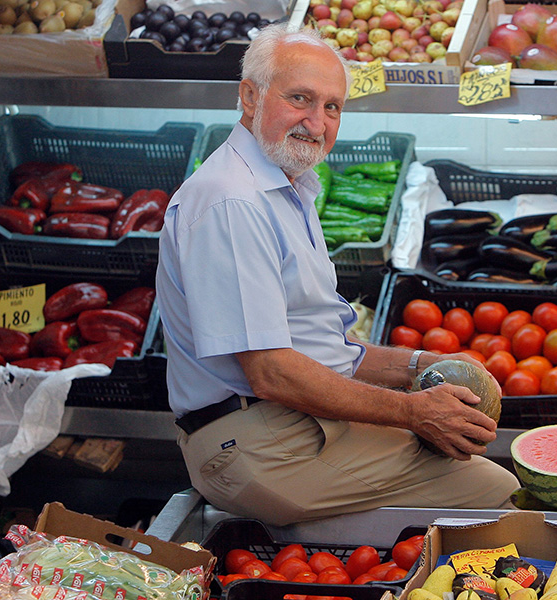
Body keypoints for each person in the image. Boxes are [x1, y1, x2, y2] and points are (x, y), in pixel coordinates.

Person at [155, 24, 519, 526]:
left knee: (466, 456)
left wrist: (420, 364)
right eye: (300, 99)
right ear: (250, 96)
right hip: (257, 443)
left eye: (332, 107)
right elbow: (272, 371)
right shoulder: (233, 202)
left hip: (288, 423)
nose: (317, 122)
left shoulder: (285, 187)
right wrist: (412, 412)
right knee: (497, 492)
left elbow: (322, 349)